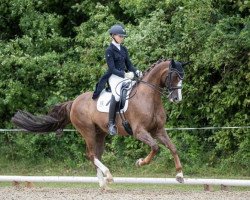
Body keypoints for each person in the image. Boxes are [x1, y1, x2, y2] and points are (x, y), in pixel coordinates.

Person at [92, 24, 142, 135]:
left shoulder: (124, 49)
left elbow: (129, 64)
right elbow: (112, 68)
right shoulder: (109, 50)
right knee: (117, 95)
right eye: (120, 36)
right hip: (114, 77)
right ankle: (111, 124)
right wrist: (124, 75)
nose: (122, 38)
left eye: (123, 37)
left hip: (125, 76)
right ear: (113, 36)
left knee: (136, 88)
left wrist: (136, 71)